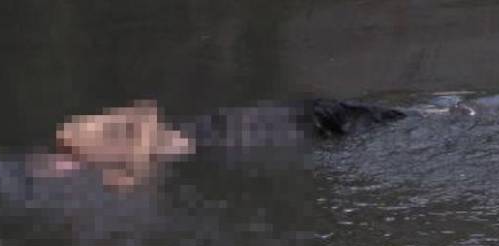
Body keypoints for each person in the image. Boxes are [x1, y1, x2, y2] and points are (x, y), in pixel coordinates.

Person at [31, 98, 405, 189]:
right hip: (260, 132)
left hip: (284, 124)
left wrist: (133, 167)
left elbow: (146, 111)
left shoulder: (81, 137)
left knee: (386, 123)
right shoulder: (107, 167)